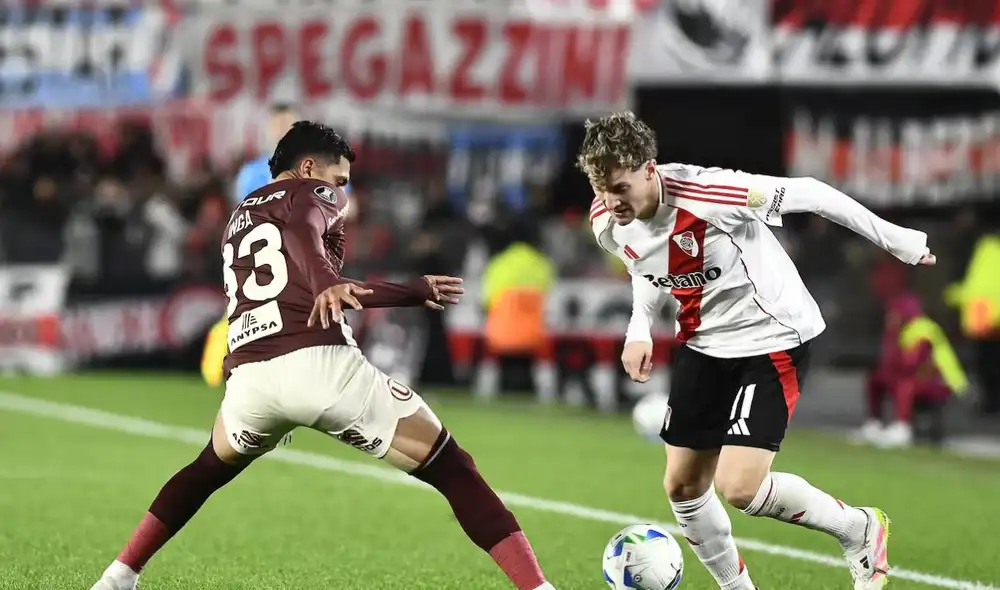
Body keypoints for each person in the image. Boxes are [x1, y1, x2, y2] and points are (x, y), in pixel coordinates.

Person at [92, 122, 555, 590]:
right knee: (454, 469)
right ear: (309, 167)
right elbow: (306, 237)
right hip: (319, 366)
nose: (341, 192)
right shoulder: (310, 193)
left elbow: (314, 292)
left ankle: (118, 576)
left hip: (250, 381)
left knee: (206, 470)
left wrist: (407, 291)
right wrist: (328, 275)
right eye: (339, 180)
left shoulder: (238, 217)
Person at [578, 111, 935, 590]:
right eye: (601, 189)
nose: (610, 201)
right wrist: (638, 326)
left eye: (619, 188)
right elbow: (644, 264)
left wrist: (899, 241)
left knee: (739, 487)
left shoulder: (711, 195)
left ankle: (858, 528)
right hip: (704, 342)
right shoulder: (607, 220)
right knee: (683, 487)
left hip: (772, 336)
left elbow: (813, 192)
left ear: (649, 168)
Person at [859, 292, 968, 448]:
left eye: (894, 313)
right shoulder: (897, 331)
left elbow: (915, 365)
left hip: (941, 381)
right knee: (875, 379)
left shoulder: (923, 330)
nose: (890, 317)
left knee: (905, 385)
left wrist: (892, 370)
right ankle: (874, 423)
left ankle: (902, 428)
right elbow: (889, 363)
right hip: (914, 376)